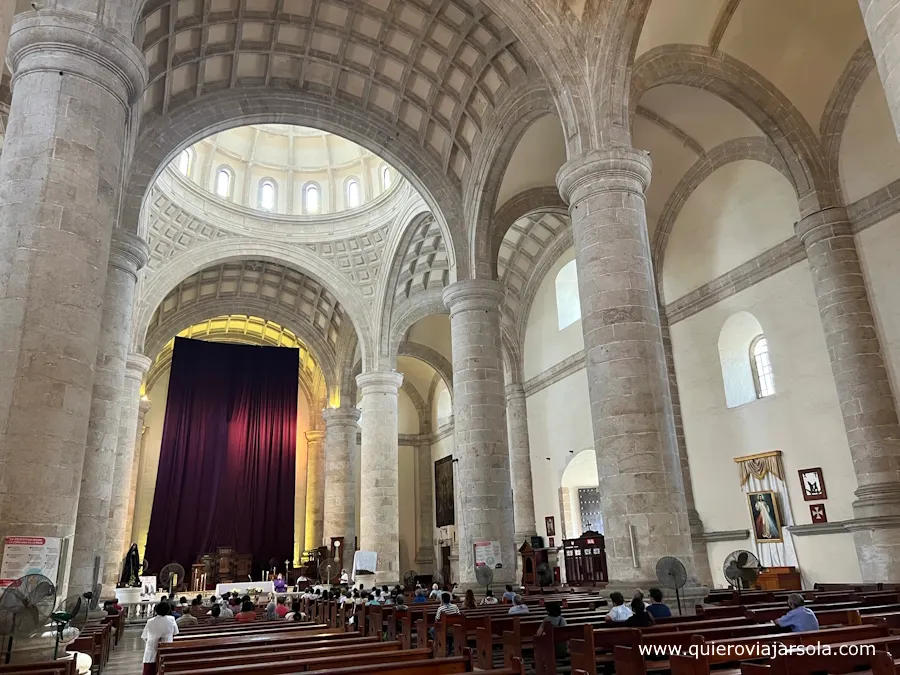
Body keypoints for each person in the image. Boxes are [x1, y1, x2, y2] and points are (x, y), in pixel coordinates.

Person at [141, 602, 178, 675]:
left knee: (149, 670)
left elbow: (145, 636)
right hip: (167, 649)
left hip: (152, 649)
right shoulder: (171, 619)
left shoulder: (150, 621)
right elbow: (175, 632)